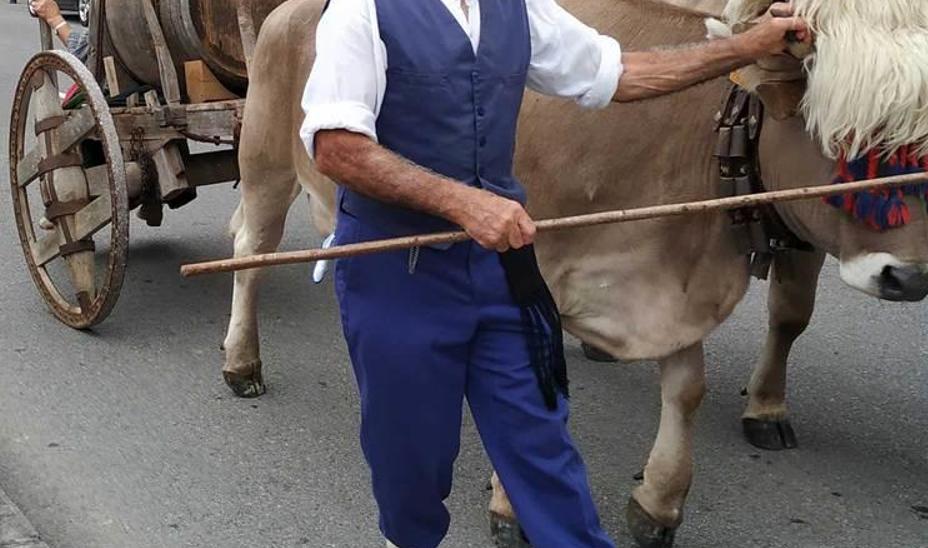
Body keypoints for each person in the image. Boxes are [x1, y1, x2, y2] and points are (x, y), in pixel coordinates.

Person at [301, 0, 807, 545]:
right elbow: (337, 147)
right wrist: (464, 204)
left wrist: (747, 46)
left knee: (540, 445)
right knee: (411, 465)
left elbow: (623, 73)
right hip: (396, 271)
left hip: (501, 269)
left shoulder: (515, 9)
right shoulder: (361, 12)